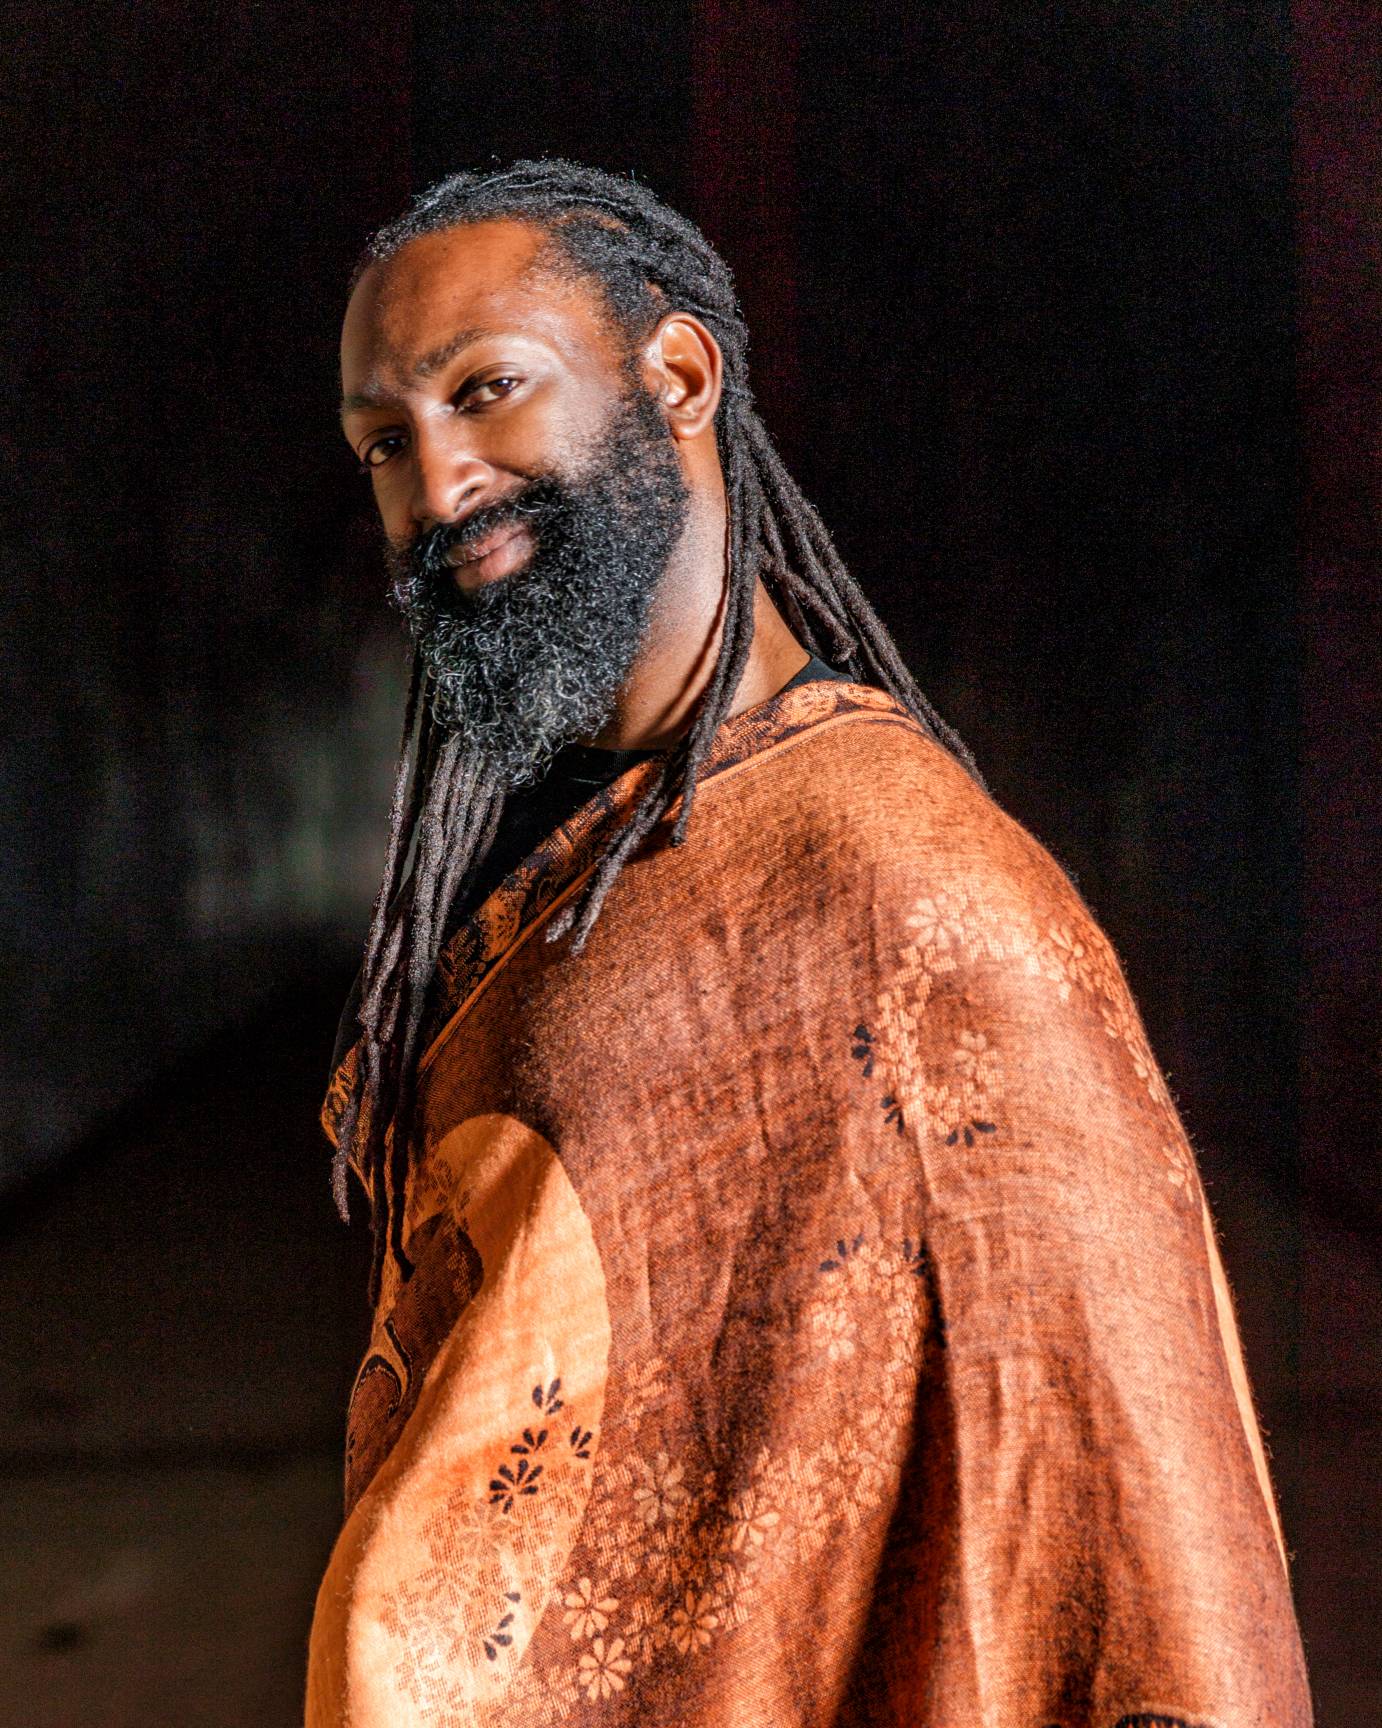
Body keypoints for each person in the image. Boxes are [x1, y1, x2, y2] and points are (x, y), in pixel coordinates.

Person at [309, 160, 1310, 1726]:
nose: (436, 488)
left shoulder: (912, 896)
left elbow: (1104, 1500)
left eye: (486, 392)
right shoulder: (574, 835)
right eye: (385, 440)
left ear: (677, 376)